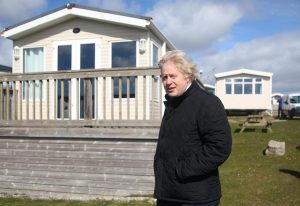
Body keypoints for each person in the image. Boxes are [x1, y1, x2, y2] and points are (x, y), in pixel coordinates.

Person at [153, 50, 232, 206]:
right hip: (169, 194)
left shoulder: (207, 103)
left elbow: (219, 147)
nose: (168, 82)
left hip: (196, 198)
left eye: (173, 76)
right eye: (164, 77)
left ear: (187, 75)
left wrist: (181, 170)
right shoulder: (173, 103)